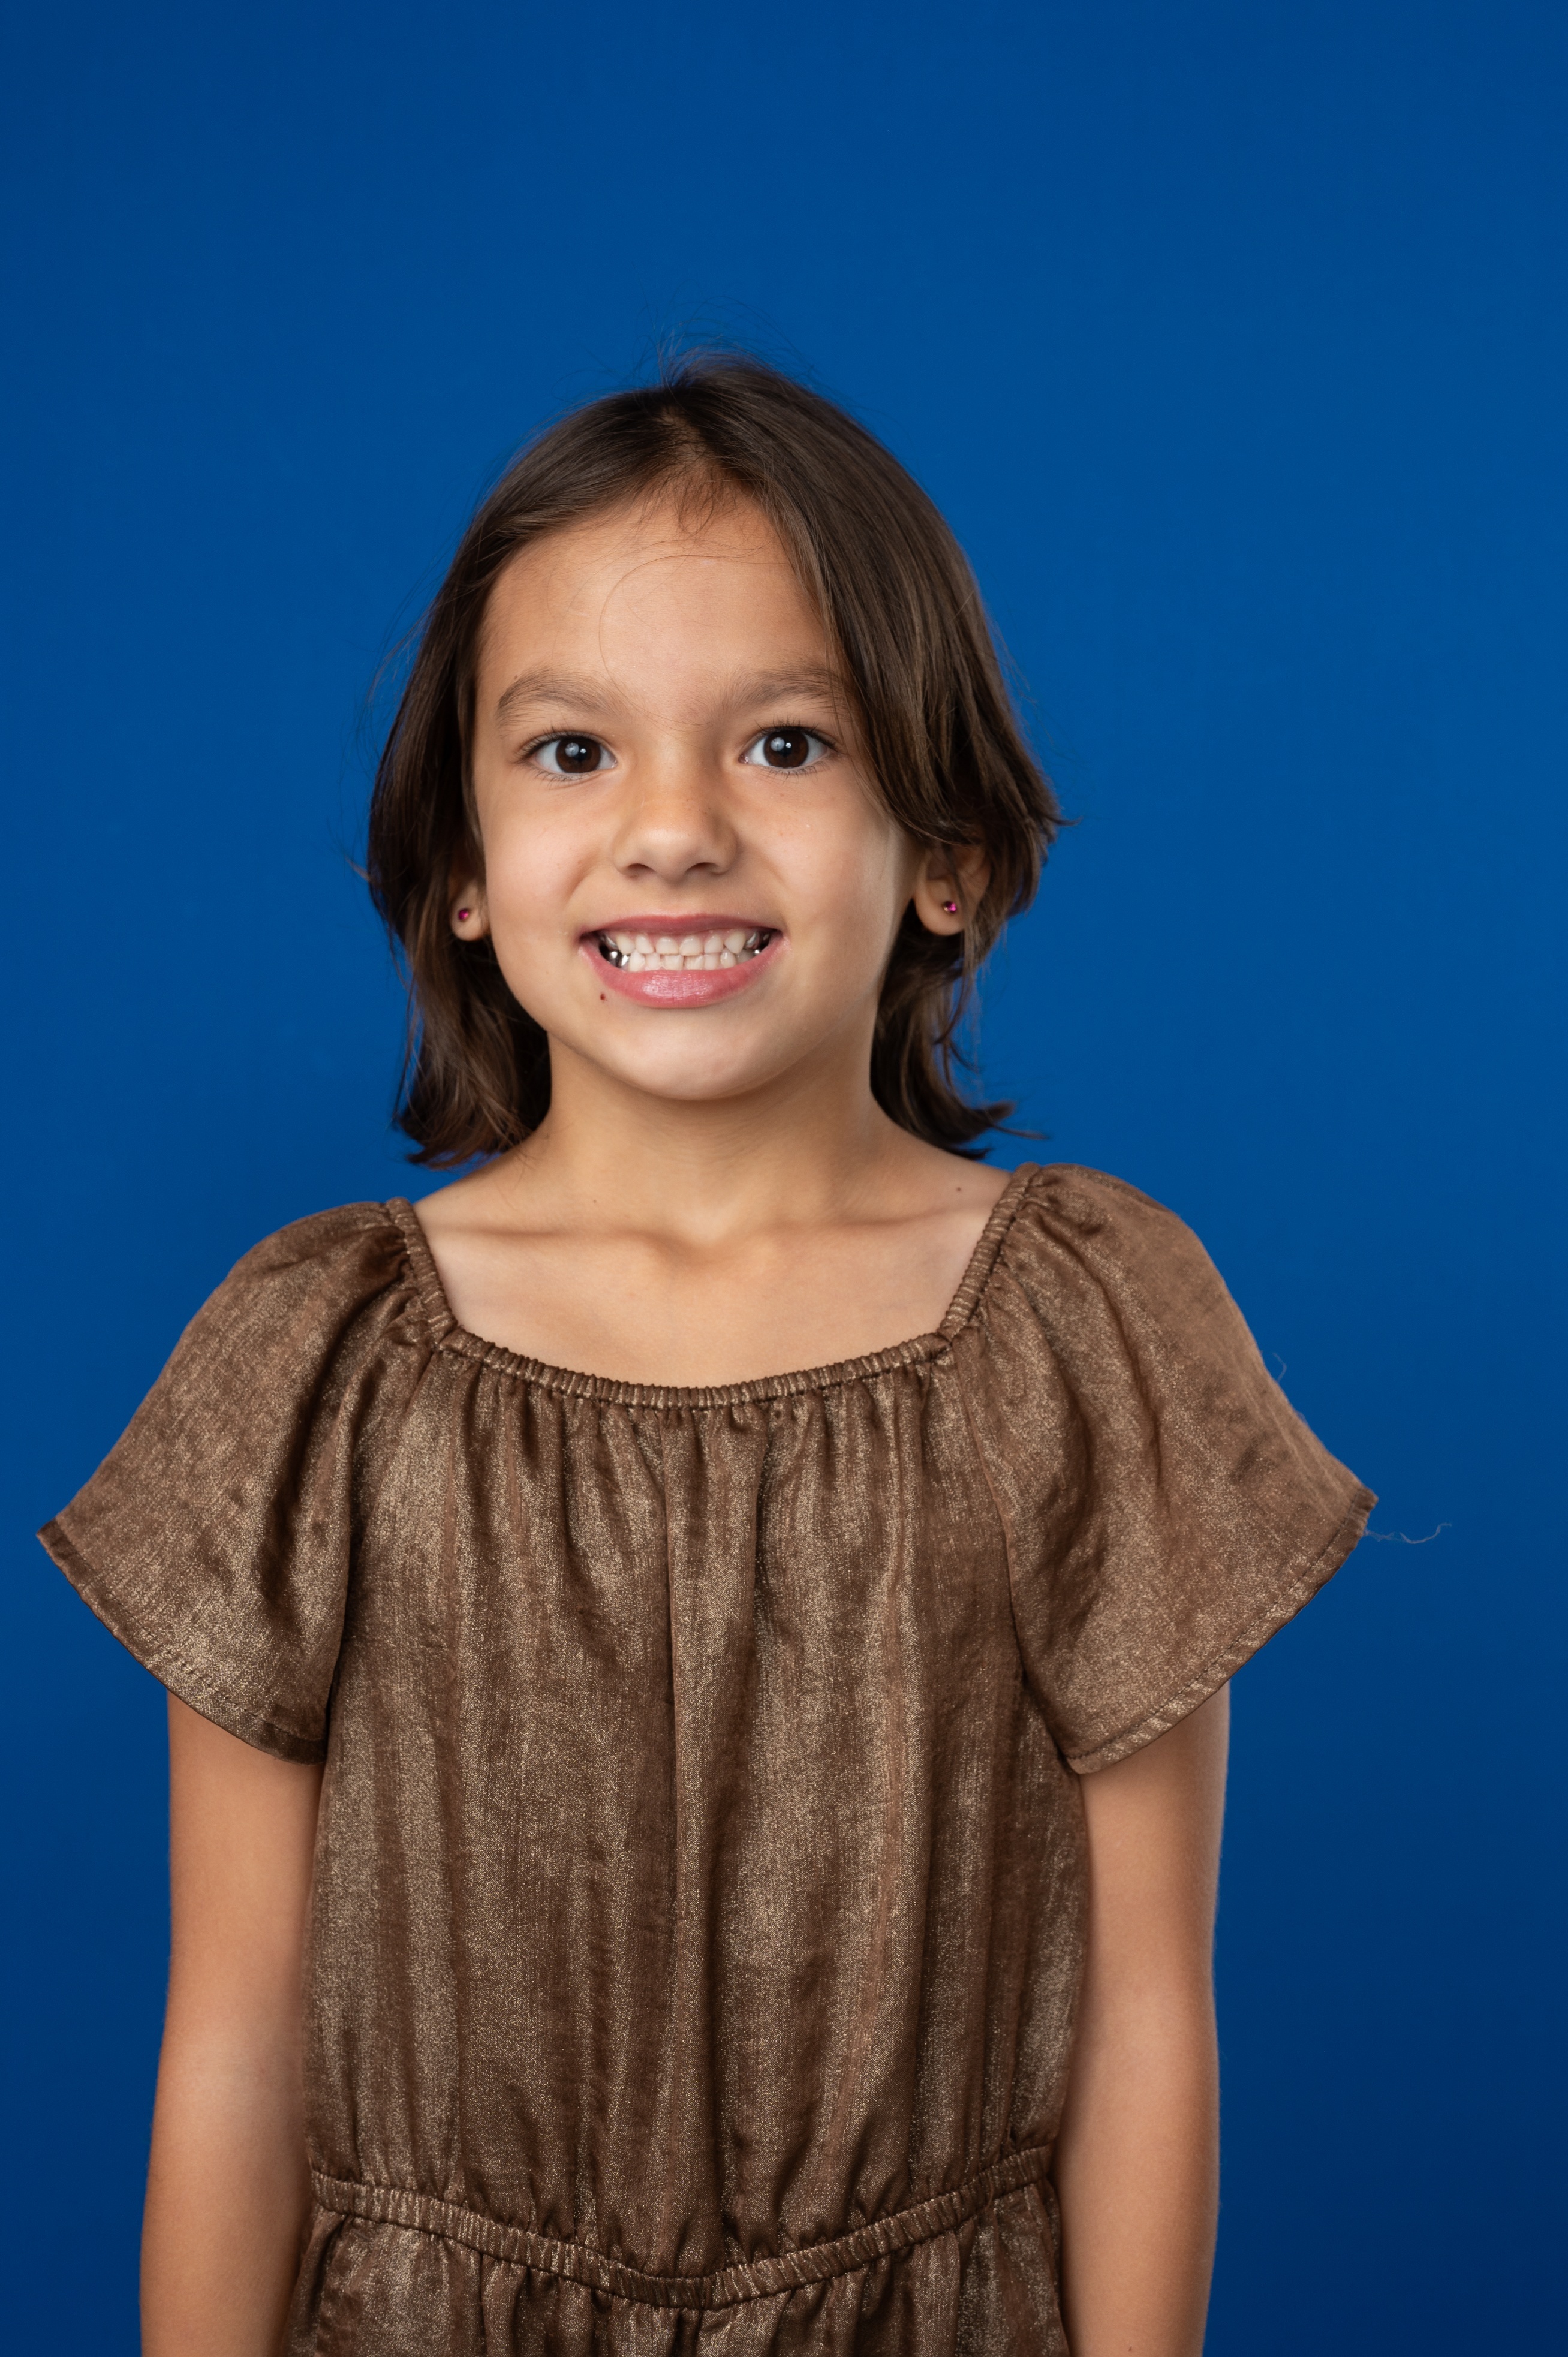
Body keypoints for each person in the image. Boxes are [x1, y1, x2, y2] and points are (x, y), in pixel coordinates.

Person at [41, 356, 1373, 2357]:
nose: (672, 830)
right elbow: (233, 2037)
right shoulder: (320, 1362)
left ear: (946, 850)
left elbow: (1144, 2012)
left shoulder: (1081, 1327)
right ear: (461, 870)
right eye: (574, 751)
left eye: (785, 742)